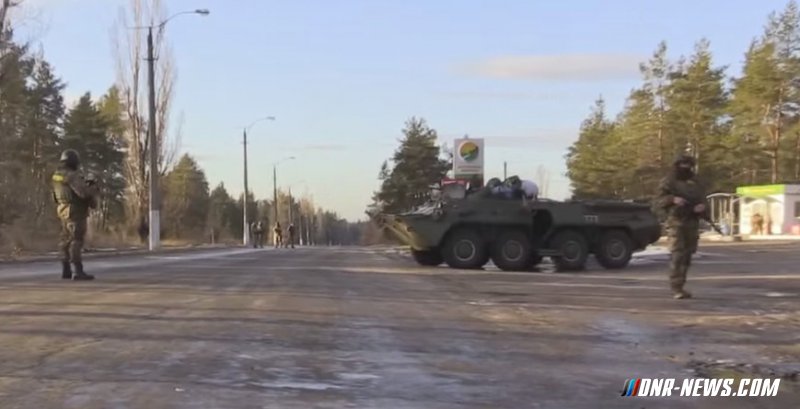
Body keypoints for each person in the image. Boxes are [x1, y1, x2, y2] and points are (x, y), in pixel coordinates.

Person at [653, 154, 708, 299]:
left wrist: (702, 207)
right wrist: (672, 199)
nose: (686, 167)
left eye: (688, 164)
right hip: (676, 221)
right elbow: (657, 201)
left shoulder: (695, 182)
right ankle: (676, 287)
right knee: (678, 254)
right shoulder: (669, 181)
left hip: (692, 222)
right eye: (683, 164)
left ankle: (681, 286)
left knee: (687, 255)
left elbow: (703, 199)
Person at [51, 149, 98, 280]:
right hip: (76, 212)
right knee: (76, 240)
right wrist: (92, 187)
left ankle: (66, 269)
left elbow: (55, 196)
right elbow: (83, 193)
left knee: (65, 240)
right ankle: (78, 271)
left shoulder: (56, 176)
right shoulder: (72, 176)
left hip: (62, 210)